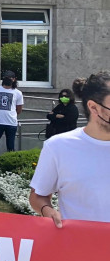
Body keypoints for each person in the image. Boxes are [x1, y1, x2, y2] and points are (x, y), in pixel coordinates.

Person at [30, 72, 110, 226]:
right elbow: (38, 195)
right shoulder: (58, 147)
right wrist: (47, 210)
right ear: (94, 107)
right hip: (78, 239)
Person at [0, 70, 24, 160]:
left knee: (10, 147)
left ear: (14, 79)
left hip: (11, 123)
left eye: (10, 78)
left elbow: (19, 109)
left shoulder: (18, 93)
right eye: (6, 77)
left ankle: (10, 165)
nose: (8, 79)